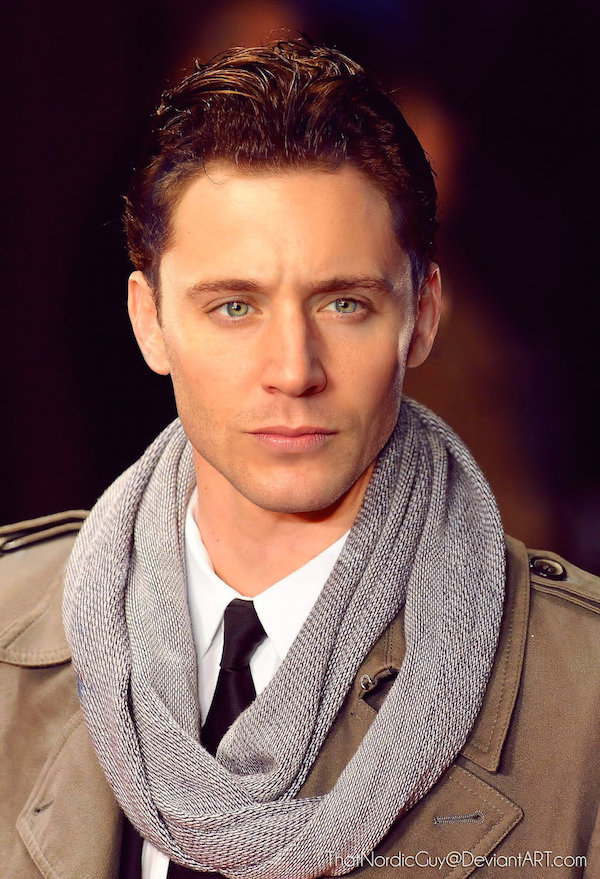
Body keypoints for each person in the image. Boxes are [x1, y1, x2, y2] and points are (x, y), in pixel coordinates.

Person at [1, 39, 599, 879]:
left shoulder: (583, 699)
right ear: (149, 322)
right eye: (234, 306)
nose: (293, 368)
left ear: (421, 316)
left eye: (344, 302)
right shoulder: (9, 629)